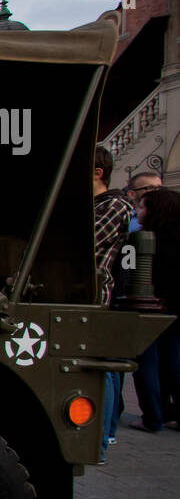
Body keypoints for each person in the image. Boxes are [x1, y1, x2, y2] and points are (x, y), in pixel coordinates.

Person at [92, 147, 134, 457]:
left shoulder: (115, 205)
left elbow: (84, 241)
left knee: (101, 368)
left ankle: (100, 441)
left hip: (94, 293)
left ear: (98, 172)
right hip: (81, 293)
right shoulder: (97, 204)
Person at [132, 189, 180, 433]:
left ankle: (153, 416)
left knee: (147, 363)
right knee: (173, 362)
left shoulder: (144, 241)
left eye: (142, 207)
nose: (138, 211)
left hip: (150, 309)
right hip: (175, 311)